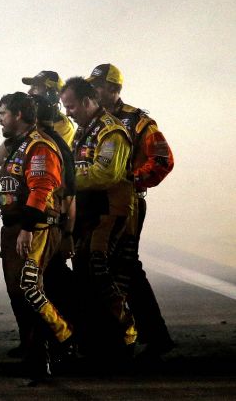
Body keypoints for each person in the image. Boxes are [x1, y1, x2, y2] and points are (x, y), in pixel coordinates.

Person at [87, 64, 176, 360]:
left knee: (125, 268)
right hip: (99, 204)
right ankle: (133, 334)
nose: (94, 90)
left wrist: (132, 180)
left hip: (128, 203)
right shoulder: (93, 121)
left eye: (98, 85)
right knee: (114, 268)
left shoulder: (138, 121)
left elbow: (163, 160)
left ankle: (147, 335)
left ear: (115, 89)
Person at [0, 93, 75, 380]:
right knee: (19, 293)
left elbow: (42, 189)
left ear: (18, 115)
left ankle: (65, 338)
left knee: (29, 288)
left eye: (3, 113)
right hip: (16, 228)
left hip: (37, 229)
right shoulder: (20, 145)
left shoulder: (39, 146)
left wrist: (27, 228)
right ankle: (36, 358)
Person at [59, 77, 137, 358]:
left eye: (70, 106)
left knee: (98, 267)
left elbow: (106, 174)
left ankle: (126, 335)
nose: (68, 112)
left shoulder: (111, 131)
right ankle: (97, 339)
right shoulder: (82, 131)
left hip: (111, 211)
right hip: (89, 213)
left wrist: (68, 180)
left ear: (87, 101)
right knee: (83, 270)